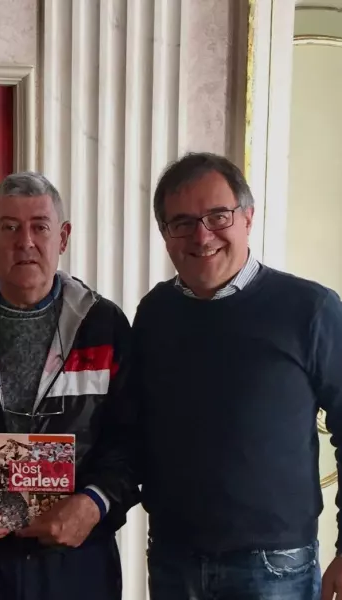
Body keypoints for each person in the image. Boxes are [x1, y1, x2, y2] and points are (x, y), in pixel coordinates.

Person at [0, 171, 138, 599]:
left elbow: (132, 437)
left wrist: (95, 502)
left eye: (40, 227)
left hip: (77, 559)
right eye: (10, 227)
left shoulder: (103, 326)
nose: (25, 241)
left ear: (63, 236)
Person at [131, 152, 342, 599]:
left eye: (218, 216)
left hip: (274, 566)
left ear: (247, 217)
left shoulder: (311, 309)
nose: (202, 235)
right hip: (173, 558)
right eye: (182, 222)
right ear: (166, 235)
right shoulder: (154, 313)